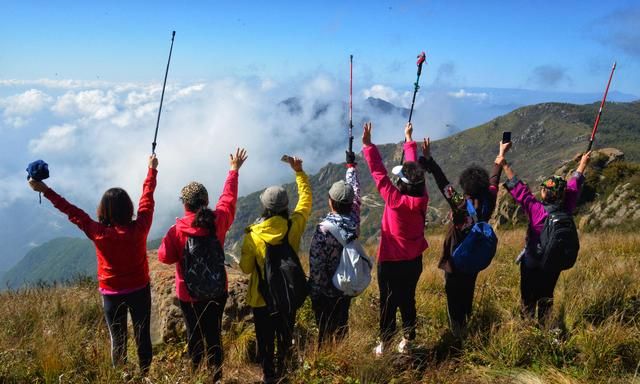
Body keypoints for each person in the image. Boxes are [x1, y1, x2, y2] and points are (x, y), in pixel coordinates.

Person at [27, 154, 159, 375]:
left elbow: (72, 211)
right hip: (139, 288)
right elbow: (147, 198)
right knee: (142, 333)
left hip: (111, 292)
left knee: (117, 338)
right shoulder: (140, 228)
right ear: (128, 208)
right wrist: (151, 170)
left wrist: (45, 190)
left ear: (103, 211)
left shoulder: (98, 233)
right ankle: (145, 374)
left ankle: (123, 375)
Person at [158, 148, 247, 381]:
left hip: (189, 295)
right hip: (217, 291)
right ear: (206, 202)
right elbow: (228, 199)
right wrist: (233, 170)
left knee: (194, 335)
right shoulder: (218, 221)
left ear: (184, 204)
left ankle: (197, 375)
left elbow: (164, 257)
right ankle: (216, 377)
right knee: (214, 335)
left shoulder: (176, 231)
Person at [239, 156, 312, 384]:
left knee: (265, 336)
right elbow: (306, 200)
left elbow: (245, 267)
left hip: (262, 298)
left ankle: (269, 375)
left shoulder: (253, 235)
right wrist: (299, 172)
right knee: (285, 333)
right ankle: (286, 366)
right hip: (287, 293)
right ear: (285, 207)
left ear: (265, 207)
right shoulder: (293, 225)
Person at [498, 144, 591, 324]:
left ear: (543, 192)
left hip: (533, 261)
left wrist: (504, 164)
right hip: (553, 262)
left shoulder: (536, 210)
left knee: (527, 295)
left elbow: (520, 190)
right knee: (547, 294)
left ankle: (527, 323)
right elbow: (574, 184)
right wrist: (582, 164)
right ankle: (545, 324)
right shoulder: (567, 207)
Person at [419, 138, 504, 336]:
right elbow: (494, 181)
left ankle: (457, 330)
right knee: (468, 291)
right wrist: (500, 158)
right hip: (474, 259)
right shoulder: (488, 202)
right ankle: (466, 321)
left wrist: (430, 161)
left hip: (454, 262)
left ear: (465, 186)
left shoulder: (459, 204)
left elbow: (443, 184)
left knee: (453, 294)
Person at [361, 122, 429, 356]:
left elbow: (379, 173)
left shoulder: (394, 200)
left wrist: (368, 145)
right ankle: (408, 339)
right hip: (413, 261)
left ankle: (386, 343)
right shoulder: (423, 196)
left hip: (390, 262)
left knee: (387, 303)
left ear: (402, 184)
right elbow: (414, 168)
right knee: (408, 299)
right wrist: (409, 139)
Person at [308, 148, 361, 346]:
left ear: (330, 202)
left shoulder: (323, 231)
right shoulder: (353, 221)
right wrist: (351, 168)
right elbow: (355, 193)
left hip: (325, 294)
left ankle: (326, 361)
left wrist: (316, 292)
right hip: (345, 287)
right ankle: (342, 356)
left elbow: (317, 268)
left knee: (324, 330)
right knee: (341, 325)